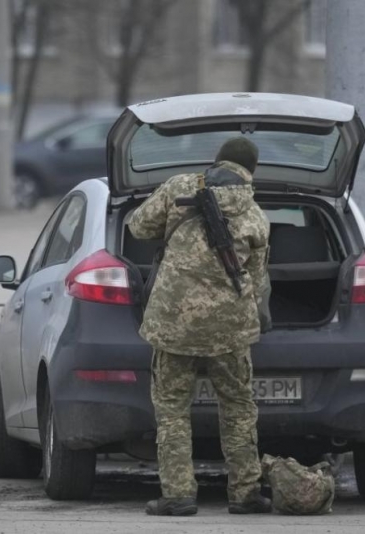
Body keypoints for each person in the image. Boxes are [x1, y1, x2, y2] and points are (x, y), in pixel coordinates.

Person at [128, 136, 272, 516]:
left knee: (173, 408)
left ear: (217, 160)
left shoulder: (180, 187)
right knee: (239, 407)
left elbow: (138, 228)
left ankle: (178, 495)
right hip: (230, 329)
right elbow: (257, 281)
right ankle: (245, 495)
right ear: (251, 171)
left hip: (174, 323)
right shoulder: (256, 216)